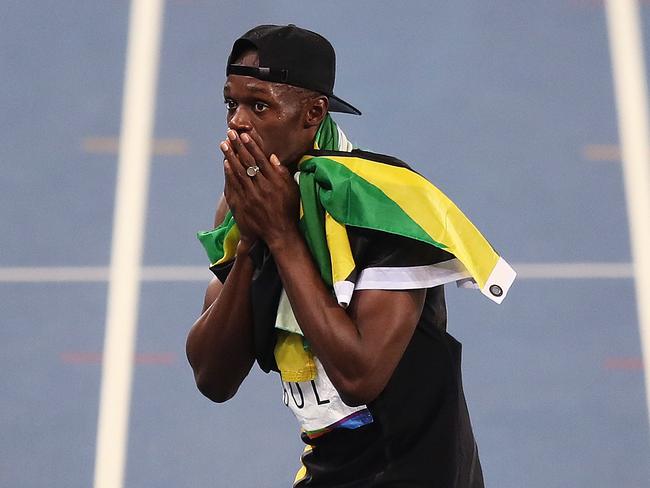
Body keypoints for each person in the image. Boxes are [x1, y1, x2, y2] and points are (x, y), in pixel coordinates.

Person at [186, 24, 515, 488]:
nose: (238, 122)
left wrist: (282, 237)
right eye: (231, 104)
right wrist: (250, 244)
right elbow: (213, 378)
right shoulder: (248, 202)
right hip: (329, 461)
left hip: (416, 468)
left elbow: (360, 376)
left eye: (259, 105)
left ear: (313, 112)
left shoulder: (382, 207)